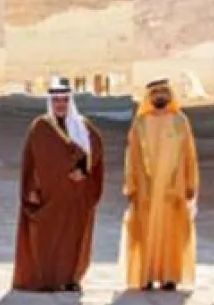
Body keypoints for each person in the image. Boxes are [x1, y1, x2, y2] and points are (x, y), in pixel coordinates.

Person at [12, 77, 106, 293]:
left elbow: (95, 151)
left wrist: (83, 171)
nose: (60, 105)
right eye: (56, 101)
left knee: (72, 239)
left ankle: (70, 278)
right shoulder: (41, 127)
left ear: (69, 102)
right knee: (46, 238)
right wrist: (31, 189)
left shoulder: (82, 127)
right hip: (48, 196)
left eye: (64, 101)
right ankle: (46, 279)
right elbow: (31, 161)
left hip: (75, 197)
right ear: (50, 103)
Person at [120, 78, 199, 292]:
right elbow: (132, 156)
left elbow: (189, 156)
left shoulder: (180, 121)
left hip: (174, 189)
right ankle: (145, 276)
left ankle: (169, 276)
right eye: (155, 94)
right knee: (145, 233)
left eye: (163, 93)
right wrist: (131, 184)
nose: (160, 97)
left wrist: (191, 183)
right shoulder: (140, 123)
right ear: (149, 97)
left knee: (171, 233)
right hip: (146, 189)